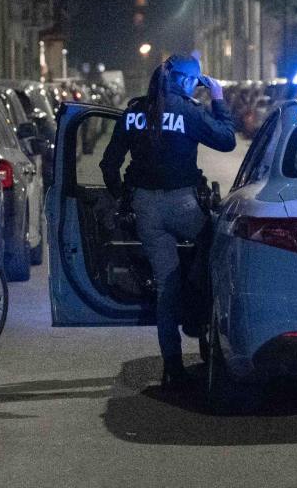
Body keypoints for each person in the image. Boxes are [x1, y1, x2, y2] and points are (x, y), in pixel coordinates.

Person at [99, 53, 237, 389]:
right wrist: (218, 99)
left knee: (165, 287)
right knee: (217, 248)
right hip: (184, 204)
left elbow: (109, 164)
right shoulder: (188, 111)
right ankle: (198, 306)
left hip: (146, 208)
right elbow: (227, 139)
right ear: (188, 81)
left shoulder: (135, 112)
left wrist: (122, 197)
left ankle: (173, 367)